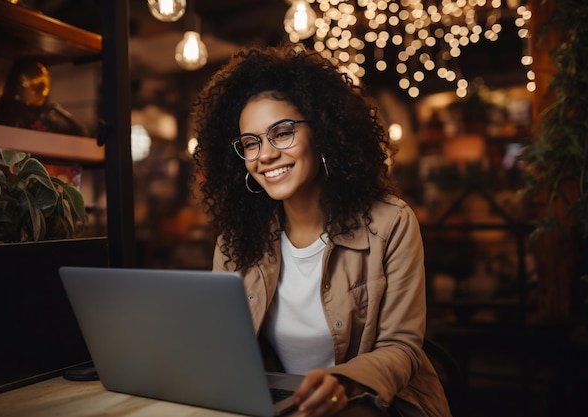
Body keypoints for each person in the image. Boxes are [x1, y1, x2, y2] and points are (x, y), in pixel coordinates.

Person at [192, 44, 451, 417]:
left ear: (324, 133)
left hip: (374, 404)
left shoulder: (390, 222)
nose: (264, 155)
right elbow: (223, 346)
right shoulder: (236, 242)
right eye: (251, 143)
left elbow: (402, 348)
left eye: (281, 133)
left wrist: (344, 382)